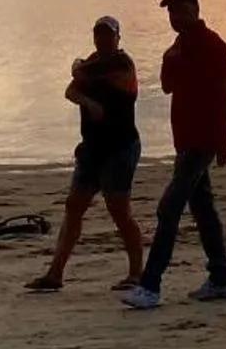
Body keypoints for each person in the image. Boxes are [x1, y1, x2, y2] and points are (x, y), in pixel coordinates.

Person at [122, 0, 226, 309]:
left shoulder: (213, 45)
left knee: (169, 208)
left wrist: (224, 138)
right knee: (204, 209)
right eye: (171, 12)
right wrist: (169, 58)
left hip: (203, 140)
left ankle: (151, 284)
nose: (175, 17)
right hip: (185, 140)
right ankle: (221, 276)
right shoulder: (178, 47)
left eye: (181, 11)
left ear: (195, 10)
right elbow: (168, 86)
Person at [27, 14, 144, 293]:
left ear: (118, 38)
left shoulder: (121, 63)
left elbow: (78, 72)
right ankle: (55, 274)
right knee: (74, 206)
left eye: (108, 34)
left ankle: (137, 273)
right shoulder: (94, 62)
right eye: (98, 34)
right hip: (92, 147)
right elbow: (71, 89)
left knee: (119, 210)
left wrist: (79, 68)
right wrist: (88, 102)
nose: (103, 38)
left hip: (120, 146)